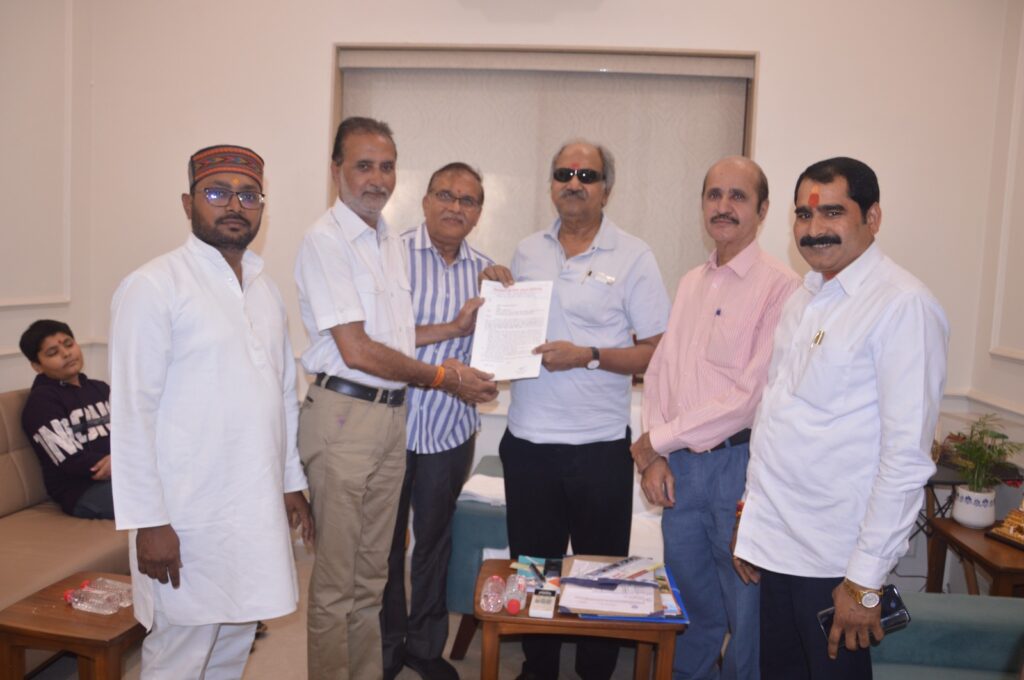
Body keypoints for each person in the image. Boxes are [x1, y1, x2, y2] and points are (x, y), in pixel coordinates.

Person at [294, 117, 497, 680]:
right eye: (364, 165)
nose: (377, 178)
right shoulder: (327, 240)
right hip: (346, 415)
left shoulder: (382, 238)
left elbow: (396, 337)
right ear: (336, 170)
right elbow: (357, 349)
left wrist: (454, 329)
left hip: (390, 418)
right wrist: (444, 378)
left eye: (386, 167)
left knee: (370, 579)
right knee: (337, 585)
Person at [733, 157, 949, 679]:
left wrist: (864, 582)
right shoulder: (806, 297)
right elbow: (779, 419)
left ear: (872, 217)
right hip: (780, 550)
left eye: (833, 212)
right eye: (803, 215)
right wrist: (754, 526)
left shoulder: (902, 305)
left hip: (837, 565)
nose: (814, 229)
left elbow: (904, 458)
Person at [109, 144, 314, 679]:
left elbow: (282, 398)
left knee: (233, 644)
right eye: (217, 192)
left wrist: (291, 481)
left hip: (253, 509)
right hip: (187, 517)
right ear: (188, 203)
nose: (235, 206)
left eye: (249, 195)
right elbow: (132, 414)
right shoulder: (153, 286)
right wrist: (150, 523)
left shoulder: (265, 291)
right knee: (180, 655)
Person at [483, 140, 670, 680]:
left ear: (605, 189)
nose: (574, 183)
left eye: (587, 175)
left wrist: (587, 355)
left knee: (599, 576)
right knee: (532, 570)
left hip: (599, 447)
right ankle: (538, 668)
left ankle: (594, 673)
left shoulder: (634, 255)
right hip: (529, 443)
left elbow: (657, 350)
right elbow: (513, 336)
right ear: (551, 185)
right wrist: (496, 302)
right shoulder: (527, 251)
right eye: (564, 173)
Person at [633, 157, 799, 680]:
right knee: (690, 607)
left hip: (739, 469)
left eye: (738, 196)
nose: (723, 207)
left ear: (763, 210)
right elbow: (660, 370)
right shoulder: (691, 282)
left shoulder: (782, 287)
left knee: (746, 614)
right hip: (680, 470)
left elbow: (748, 397)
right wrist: (654, 455)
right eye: (714, 195)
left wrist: (656, 439)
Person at [381, 162, 494, 680]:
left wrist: (490, 373)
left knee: (434, 541)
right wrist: (451, 331)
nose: (455, 206)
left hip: (450, 430)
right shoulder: (391, 255)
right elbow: (378, 342)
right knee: (384, 545)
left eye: (467, 200)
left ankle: (426, 648)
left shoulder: (489, 275)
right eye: (445, 195)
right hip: (390, 426)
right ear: (425, 201)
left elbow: (494, 355)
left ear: (478, 213)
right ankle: (387, 646)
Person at [20, 319, 114, 520]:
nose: (66, 354)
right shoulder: (41, 403)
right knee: (153, 499)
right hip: (82, 490)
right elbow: (69, 459)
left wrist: (123, 460)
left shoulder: (100, 388)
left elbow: (132, 430)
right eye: (52, 353)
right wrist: (120, 464)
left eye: (69, 344)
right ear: (37, 366)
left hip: (123, 473)